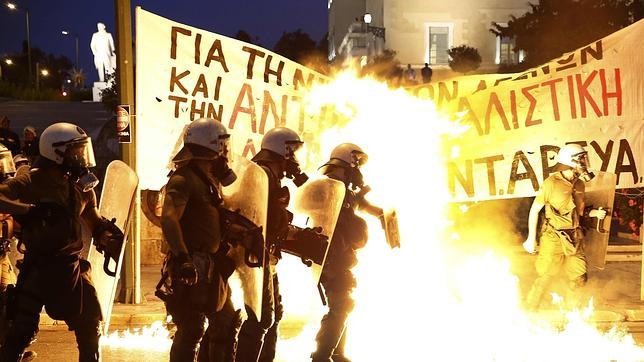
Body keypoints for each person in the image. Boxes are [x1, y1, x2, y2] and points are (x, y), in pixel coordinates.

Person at [0, 122, 123, 361]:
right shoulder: (31, 182)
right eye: (75, 151)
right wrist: (28, 211)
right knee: (20, 332)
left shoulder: (82, 186)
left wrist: (105, 236)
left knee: (90, 328)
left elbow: (93, 219)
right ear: (56, 152)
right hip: (38, 267)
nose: (81, 156)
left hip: (72, 268)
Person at [159, 118, 239, 362]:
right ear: (211, 146)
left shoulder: (207, 179)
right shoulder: (183, 179)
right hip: (192, 264)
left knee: (225, 323)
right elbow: (169, 219)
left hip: (211, 265)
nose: (225, 151)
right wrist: (183, 259)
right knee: (192, 327)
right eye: (222, 145)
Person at [235, 127, 311, 362]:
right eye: (293, 152)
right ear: (283, 151)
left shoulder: (264, 174)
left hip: (262, 254)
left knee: (273, 315)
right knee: (261, 318)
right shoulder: (265, 176)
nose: (295, 160)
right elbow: (269, 222)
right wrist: (298, 235)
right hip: (255, 256)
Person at [523, 144, 607, 310]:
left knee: (579, 277)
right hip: (553, 237)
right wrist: (530, 238)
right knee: (546, 276)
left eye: (584, 158)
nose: (584, 162)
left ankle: (572, 313)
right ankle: (530, 310)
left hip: (574, 236)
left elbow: (578, 213)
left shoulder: (580, 185)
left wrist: (595, 214)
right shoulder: (551, 183)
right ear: (570, 161)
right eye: (581, 159)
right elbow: (535, 210)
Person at [310, 143, 373, 362]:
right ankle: (322, 355)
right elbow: (343, 221)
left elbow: (355, 204)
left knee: (343, 304)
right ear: (348, 162)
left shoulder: (341, 190)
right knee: (342, 304)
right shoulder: (328, 189)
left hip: (339, 258)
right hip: (331, 258)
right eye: (356, 163)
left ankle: (337, 353)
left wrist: (381, 213)